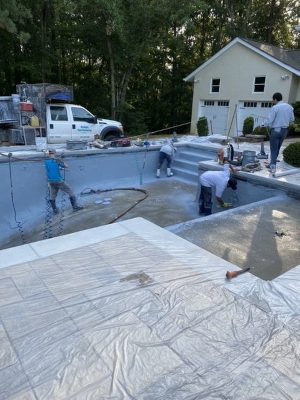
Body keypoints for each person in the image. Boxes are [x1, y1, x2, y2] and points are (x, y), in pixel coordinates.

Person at [263, 92, 294, 173]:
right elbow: (292, 120)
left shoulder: (275, 107)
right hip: (285, 130)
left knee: (273, 148)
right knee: (278, 148)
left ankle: (272, 166)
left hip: (276, 130)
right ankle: (272, 163)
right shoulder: (290, 107)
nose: (273, 101)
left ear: (275, 99)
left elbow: (270, 120)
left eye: (273, 100)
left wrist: (262, 124)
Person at [45, 149, 83, 214]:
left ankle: (55, 210)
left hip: (51, 181)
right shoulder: (57, 160)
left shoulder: (46, 161)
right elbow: (66, 165)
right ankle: (75, 207)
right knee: (70, 191)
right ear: (55, 153)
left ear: (49, 154)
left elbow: (52, 168)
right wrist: (61, 160)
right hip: (58, 180)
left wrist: (62, 168)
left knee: (52, 196)